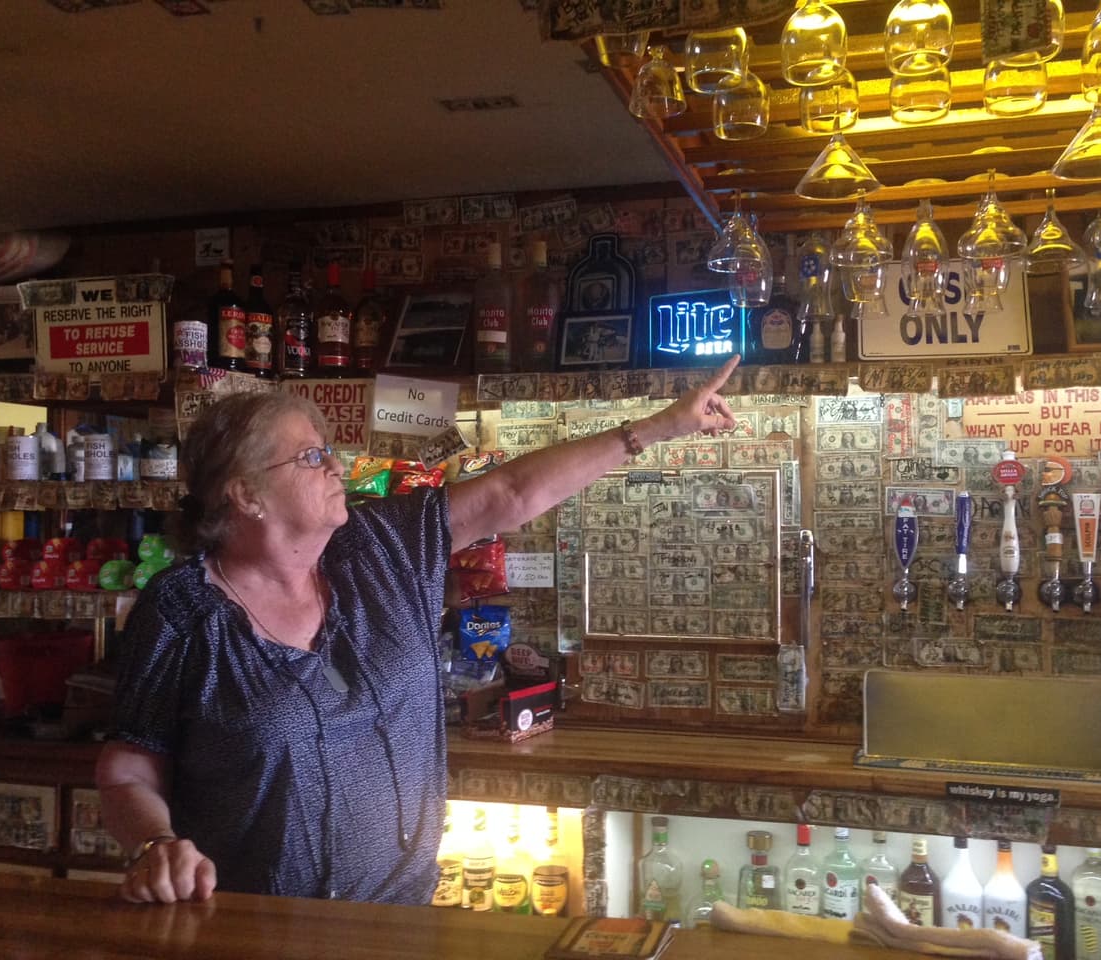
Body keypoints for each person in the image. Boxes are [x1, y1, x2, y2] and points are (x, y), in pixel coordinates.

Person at [95, 356, 739, 906]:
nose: (335, 467)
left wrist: (662, 426)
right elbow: (128, 770)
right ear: (245, 493)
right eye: (312, 456)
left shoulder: (377, 548)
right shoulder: (182, 611)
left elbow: (511, 493)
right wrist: (155, 845)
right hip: (248, 925)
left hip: (400, 916)